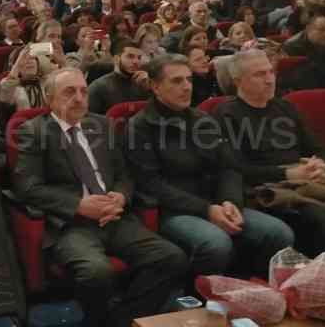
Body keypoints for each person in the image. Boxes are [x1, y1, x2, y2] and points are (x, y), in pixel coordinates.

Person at [13, 67, 187, 327]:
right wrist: (78, 205)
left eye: (84, 91)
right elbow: (27, 187)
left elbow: (124, 173)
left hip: (115, 217)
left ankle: (120, 319)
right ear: (50, 99)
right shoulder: (34, 131)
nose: (79, 98)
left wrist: (121, 195)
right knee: (97, 272)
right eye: (69, 92)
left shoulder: (102, 125)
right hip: (72, 225)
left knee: (171, 257)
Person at [124, 56, 293, 279]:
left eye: (189, 80)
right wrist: (206, 210)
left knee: (278, 233)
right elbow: (151, 184)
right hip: (173, 210)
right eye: (176, 81)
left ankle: (252, 290)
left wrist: (230, 201)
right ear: (156, 87)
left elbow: (229, 167)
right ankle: (198, 301)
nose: (186, 87)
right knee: (216, 243)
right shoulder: (140, 127)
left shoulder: (202, 119)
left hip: (218, 203)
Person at [213, 49, 325, 259]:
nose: (269, 80)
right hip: (267, 188)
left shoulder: (285, 107)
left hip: (309, 180)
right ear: (238, 81)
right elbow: (236, 168)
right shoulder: (226, 114)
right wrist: (289, 175)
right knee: (318, 217)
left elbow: (319, 149)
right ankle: (322, 281)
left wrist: (319, 164)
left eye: (270, 72)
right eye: (259, 75)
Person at [87, 39, 150, 114]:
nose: (136, 61)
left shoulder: (143, 84)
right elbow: (89, 120)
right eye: (130, 56)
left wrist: (150, 86)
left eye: (139, 57)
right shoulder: (99, 88)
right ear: (116, 59)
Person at [0, 45, 46, 110]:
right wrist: (17, 63)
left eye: (33, 58)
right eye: (24, 58)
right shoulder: (12, 86)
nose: (29, 61)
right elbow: (4, 93)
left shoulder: (46, 82)